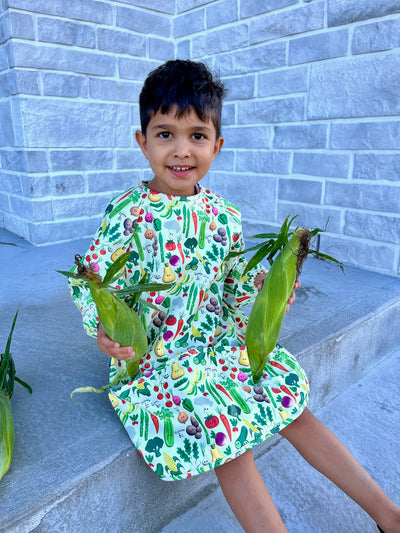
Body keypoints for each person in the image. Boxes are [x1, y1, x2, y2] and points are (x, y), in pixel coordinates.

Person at [69, 60, 400, 533]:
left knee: (295, 412)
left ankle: (389, 515)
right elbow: (92, 279)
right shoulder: (127, 214)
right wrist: (102, 328)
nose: (181, 151)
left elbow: (230, 284)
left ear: (217, 145)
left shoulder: (224, 217)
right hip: (161, 357)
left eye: (197, 136)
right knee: (230, 440)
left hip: (219, 340)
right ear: (142, 142)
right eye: (165, 134)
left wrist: (263, 287)